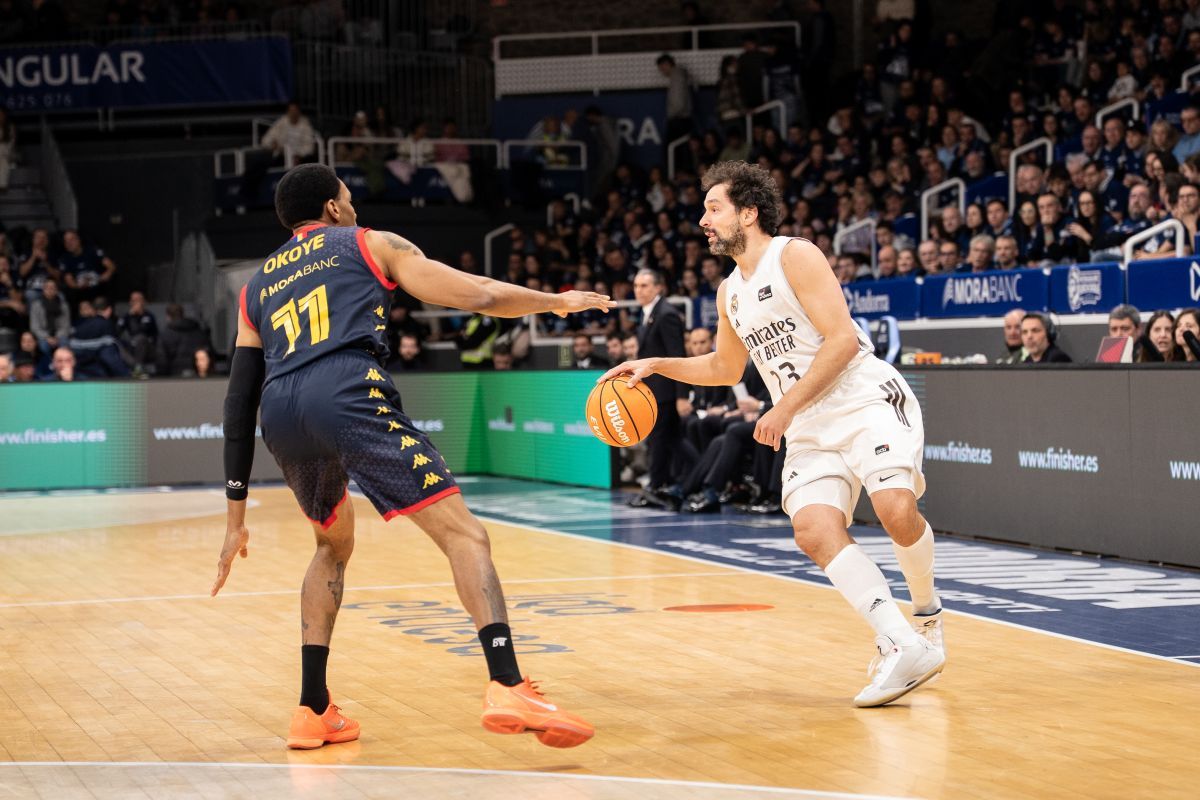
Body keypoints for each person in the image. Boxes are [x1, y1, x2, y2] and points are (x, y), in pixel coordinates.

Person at [214, 163, 610, 750]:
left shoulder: (256, 287)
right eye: (348, 199)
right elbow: (480, 294)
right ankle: (507, 683)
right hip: (344, 391)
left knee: (330, 546)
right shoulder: (369, 242)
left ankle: (312, 708)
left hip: (282, 412)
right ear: (332, 209)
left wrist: (236, 516)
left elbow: (238, 398)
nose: (353, 207)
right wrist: (555, 301)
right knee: (465, 535)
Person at [601, 161, 944, 707]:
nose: (703, 220)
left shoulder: (794, 256)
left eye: (714, 208)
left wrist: (782, 408)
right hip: (808, 420)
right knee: (813, 530)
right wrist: (657, 364)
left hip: (862, 398)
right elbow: (724, 368)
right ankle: (901, 643)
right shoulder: (728, 292)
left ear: (749, 213)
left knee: (895, 510)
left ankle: (926, 616)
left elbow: (843, 341)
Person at [626, 269, 688, 510]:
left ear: (658, 287)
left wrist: (681, 395)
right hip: (655, 392)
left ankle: (655, 488)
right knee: (667, 442)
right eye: (636, 285)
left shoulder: (666, 314)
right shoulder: (648, 313)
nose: (638, 290)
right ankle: (668, 487)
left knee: (661, 442)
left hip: (666, 393)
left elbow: (677, 357)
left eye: (644, 285)